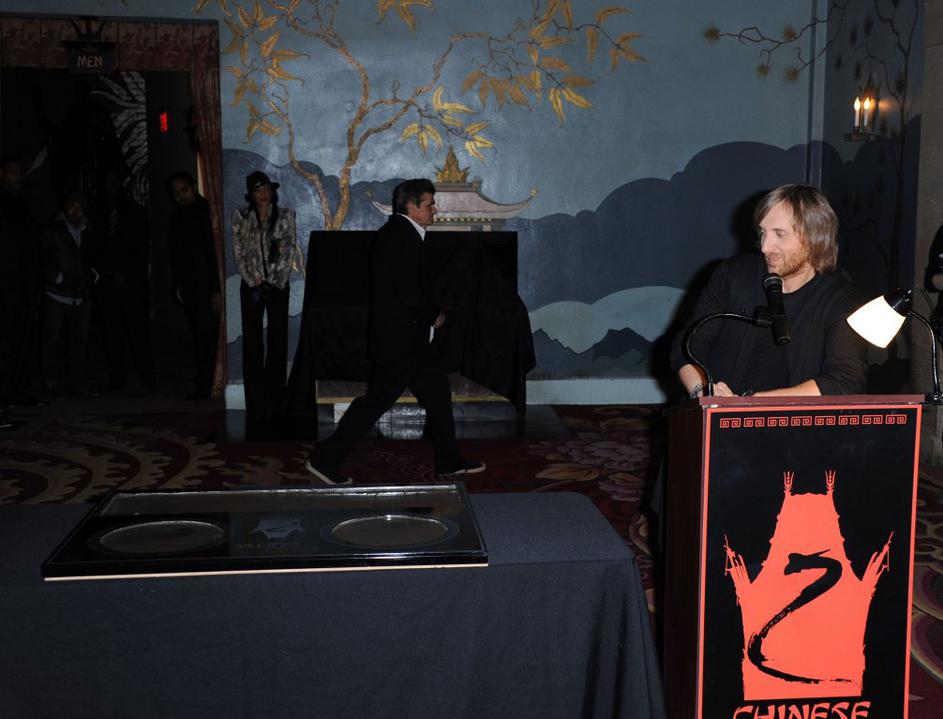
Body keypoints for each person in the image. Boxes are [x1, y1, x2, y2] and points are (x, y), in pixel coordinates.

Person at [304, 178, 485, 485]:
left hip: (410, 341)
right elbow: (408, 293)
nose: (435, 210)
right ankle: (324, 458)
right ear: (411, 206)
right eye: (429, 204)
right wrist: (434, 315)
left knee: (437, 395)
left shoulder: (402, 234)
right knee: (376, 401)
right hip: (401, 343)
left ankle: (448, 460)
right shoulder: (401, 238)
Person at [670, 184, 867, 397]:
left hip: (788, 418)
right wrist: (703, 392)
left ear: (814, 238)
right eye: (763, 232)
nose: (765, 247)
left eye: (779, 234)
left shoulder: (841, 299)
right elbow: (687, 347)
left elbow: (844, 381)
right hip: (718, 411)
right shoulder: (735, 273)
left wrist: (751, 405)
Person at [231, 171, 296, 418]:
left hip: (278, 285)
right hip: (252, 285)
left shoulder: (286, 215)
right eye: (259, 190)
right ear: (251, 194)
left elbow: (288, 249)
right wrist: (253, 279)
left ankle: (276, 393)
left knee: (278, 337)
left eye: (268, 189)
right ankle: (255, 396)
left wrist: (274, 281)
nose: (264, 194)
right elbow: (239, 251)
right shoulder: (241, 216)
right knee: (252, 339)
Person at [89, 171, 156, 392]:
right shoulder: (97, 213)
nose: (110, 187)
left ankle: (147, 378)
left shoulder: (137, 212)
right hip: (106, 283)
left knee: (138, 332)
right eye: (107, 183)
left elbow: (141, 248)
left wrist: (125, 273)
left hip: (132, 283)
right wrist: (105, 272)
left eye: (114, 182)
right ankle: (118, 377)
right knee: (112, 333)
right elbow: (94, 248)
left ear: (121, 184)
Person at [167, 171, 221, 400]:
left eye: (184, 190)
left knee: (208, 338)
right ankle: (204, 383)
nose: (182, 196)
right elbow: (177, 255)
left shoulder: (208, 213)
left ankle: (208, 385)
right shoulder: (177, 217)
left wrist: (216, 289)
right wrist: (178, 285)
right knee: (199, 337)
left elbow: (214, 254)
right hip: (190, 287)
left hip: (207, 287)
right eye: (176, 193)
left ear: (193, 186)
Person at [41, 192, 98, 396]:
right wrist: (56, 277)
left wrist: (94, 274)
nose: (75, 211)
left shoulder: (89, 230)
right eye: (71, 206)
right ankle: (49, 380)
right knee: (52, 339)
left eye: (79, 207)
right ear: (64, 208)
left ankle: (76, 380)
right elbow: (40, 257)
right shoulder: (52, 231)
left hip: (81, 294)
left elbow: (94, 255)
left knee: (80, 340)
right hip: (56, 295)